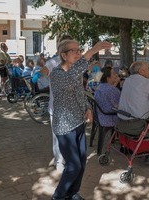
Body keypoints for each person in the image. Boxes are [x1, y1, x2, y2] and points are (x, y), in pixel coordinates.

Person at [50, 39, 112, 200]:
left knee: (82, 163)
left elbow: (79, 93)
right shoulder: (57, 74)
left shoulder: (74, 73)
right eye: (74, 51)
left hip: (78, 122)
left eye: (80, 50)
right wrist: (92, 51)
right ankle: (58, 196)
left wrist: (88, 108)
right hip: (65, 126)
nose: (79, 53)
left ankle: (71, 193)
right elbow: (71, 76)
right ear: (63, 55)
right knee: (73, 165)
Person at [45, 34, 73, 172]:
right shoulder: (52, 63)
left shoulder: (75, 63)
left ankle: (68, 158)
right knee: (58, 135)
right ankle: (59, 161)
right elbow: (41, 75)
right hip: (56, 106)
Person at [94, 66, 121, 155]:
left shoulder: (99, 87)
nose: (116, 75)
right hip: (108, 117)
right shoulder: (113, 90)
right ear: (108, 78)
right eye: (113, 73)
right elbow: (119, 107)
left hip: (99, 115)